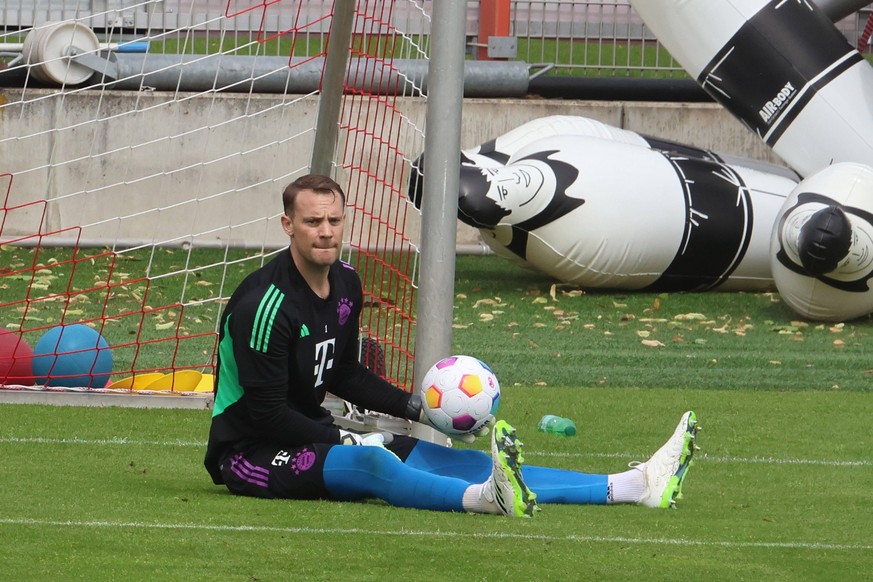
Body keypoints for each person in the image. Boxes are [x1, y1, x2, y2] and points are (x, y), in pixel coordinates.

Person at [204, 173, 700, 517]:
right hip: (251, 453)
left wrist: (418, 409)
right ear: (288, 225)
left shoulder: (348, 284)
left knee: (452, 458)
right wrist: (343, 438)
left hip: (314, 433)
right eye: (313, 222)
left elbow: (342, 374)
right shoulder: (263, 306)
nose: (326, 231)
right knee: (374, 460)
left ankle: (632, 487)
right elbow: (266, 414)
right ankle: (485, 501)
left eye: (334, 220)